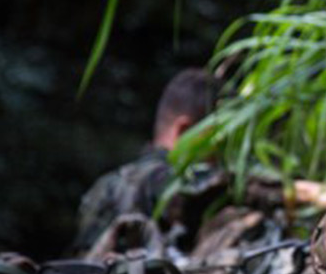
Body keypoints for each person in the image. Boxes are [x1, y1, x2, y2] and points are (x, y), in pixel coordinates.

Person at [72, 68, 217, 255]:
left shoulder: (106, 186)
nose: (221, 155)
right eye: (218, 141)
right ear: (184, 130)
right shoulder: (174, 185)